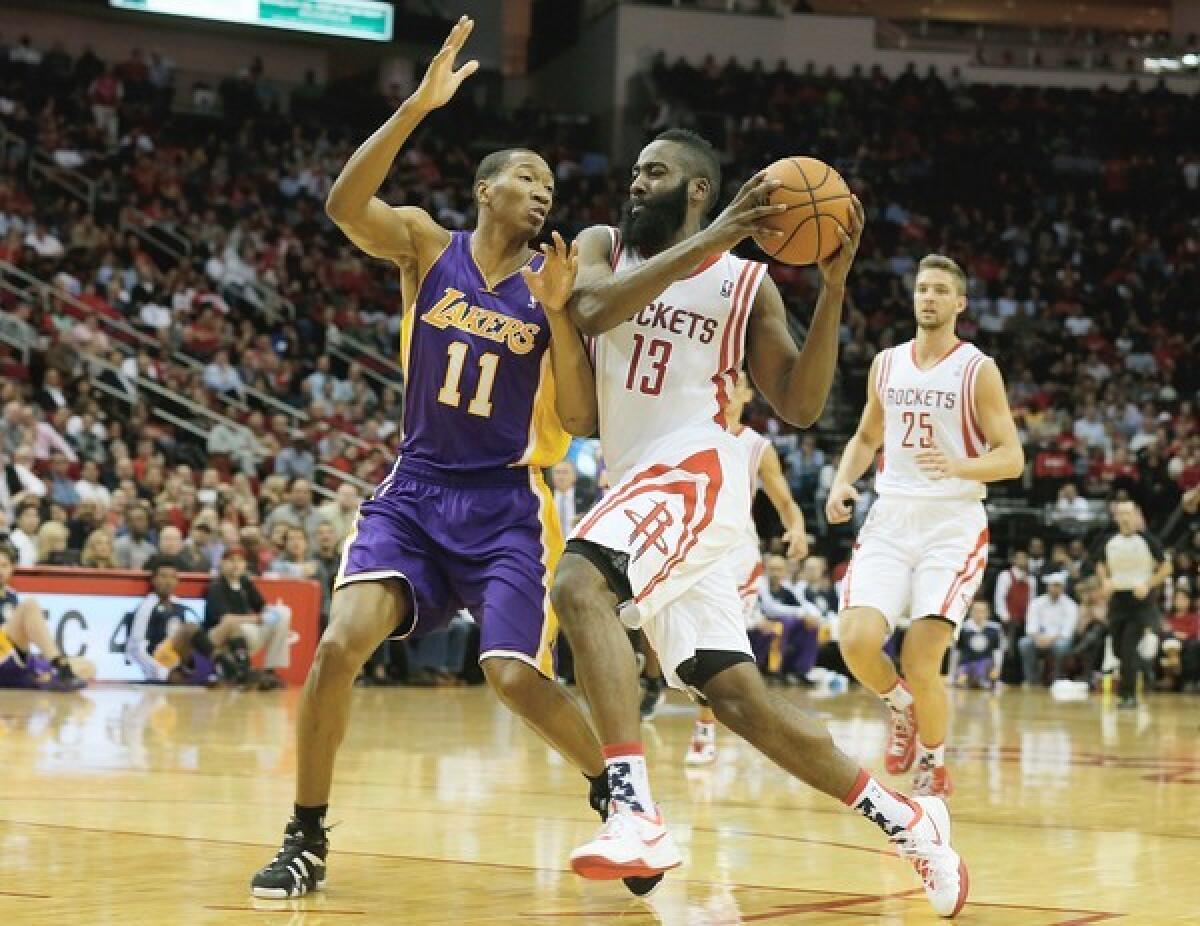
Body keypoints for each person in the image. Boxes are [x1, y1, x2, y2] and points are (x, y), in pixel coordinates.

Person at [552, 130, 967, 917]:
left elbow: (802, 406)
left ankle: (634, 811)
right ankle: (909, 818)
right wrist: (716, 237)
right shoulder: (603, 245)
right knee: (738, 699)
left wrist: (835, 290)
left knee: (579, 585)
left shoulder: (748, 286)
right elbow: (592, 308)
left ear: (700, 189)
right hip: (633, 478)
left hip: (698, 467)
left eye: (656, 173)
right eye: (637, 171)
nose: (636, 184)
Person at [251, 17, 608, 900]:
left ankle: (620, 790)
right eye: (527, 177)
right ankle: (305, 836)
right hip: (414, 491)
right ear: (485, 189)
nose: (542, 192)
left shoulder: (550, 288)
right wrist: (416, 105)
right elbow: (342, 206)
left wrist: (562, 315)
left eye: (551, 185)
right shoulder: (425, 244)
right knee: (338, 647)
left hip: (506, 505)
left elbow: (581, 415)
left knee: (512, 679)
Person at [829, 253, 1023, 800]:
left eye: (940, 290)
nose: (928, 298)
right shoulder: (886, 363)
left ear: (959, 303)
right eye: (922, 289)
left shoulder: (977, 368)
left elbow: (1012, 457)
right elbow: (866, 437)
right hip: (891, 515)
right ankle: (901, 707)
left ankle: (934, 762)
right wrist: (843, 481)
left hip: (952, 523)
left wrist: (961, 465)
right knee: (856, 639)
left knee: (920, 654)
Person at [686, 370, 810, 765]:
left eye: (732, 383)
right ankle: (657, 684)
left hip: (737, 554)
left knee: (718, 643)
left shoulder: (757, 447)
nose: (722, 391)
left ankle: (706, 727)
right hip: (694, 546)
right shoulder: (690, 434)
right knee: (683, 642)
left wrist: (798, 529)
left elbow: (785, 501)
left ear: (746, 394)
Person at [1090, 500, 1172, 708]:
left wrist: (1148, 584)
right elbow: (1100, 564)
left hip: (1141, 604)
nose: (1125, 518)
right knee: (1118, 649)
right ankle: (1143, 666)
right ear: (1116, 517)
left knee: (1127, 649)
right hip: (1118, 602)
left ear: (1136, 516)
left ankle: (1128, 696)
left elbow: (1166, 567)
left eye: (1129, 513)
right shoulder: (1109, 541)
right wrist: (1105, 581)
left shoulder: (1148, 541)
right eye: (1121, 514)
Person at [125, 554, 245, 684]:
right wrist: (162, 673)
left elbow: (199, 638)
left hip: (182, 658)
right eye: (163, 576)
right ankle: (223, 665)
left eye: (172, 577)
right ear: (154, 580)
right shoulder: (147, 606)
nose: (168, 581)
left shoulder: (179, 604)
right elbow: (134, 649)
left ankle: (243, 670)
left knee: (230, 625)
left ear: (177, 581)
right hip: (161, 661)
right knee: (189, 628)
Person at [0, 546, 89, 690]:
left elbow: (20, 640)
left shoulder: (12, 595)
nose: (0, 571)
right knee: (30, 604)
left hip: (13, 660)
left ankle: (46, 677)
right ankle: (58, 666)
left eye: (4, 566)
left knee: (88, 667)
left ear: (12, 569)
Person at [205, 546, 292, 690]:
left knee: (284, 612)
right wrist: (258, 619)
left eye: (240, 561)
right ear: (222, 563)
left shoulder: (245, 583)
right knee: (234, 625)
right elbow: (226, 620)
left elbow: (262, 606)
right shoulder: (217, 587)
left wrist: (272, 612)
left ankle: (270, 670)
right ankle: (242, 671)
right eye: (231, 560)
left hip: (251, 632)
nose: (236, 565)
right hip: (224, 636)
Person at [1017, 573, 1078, 686]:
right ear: (1048, 587)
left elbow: (1067, 631)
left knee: (1061, 646)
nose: (1055, 588)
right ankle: (1032, 679)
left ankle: (1057, 679)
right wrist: (1038, 637)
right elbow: (1031, 626)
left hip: (1058, 639)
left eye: (1058, 586)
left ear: (1063, 587)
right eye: (1053, 585)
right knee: (1024, 643)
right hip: (1038, 638)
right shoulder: (1037, 602)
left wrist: (1050, 640)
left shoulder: (1071, 605)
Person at [954, 599, 1004, 689]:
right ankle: (970, 680)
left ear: (987, 613)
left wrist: (997, 668)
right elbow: (956, 652)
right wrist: (952, 674)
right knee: (962, 677)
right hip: (967, 664)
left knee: (984, 668)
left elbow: (998, 651)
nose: (979, 614)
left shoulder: (995, 629)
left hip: (986, 665)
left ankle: (983, 681)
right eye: (976, 611)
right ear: (970, 612)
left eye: (982, 611)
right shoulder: (963, 628)